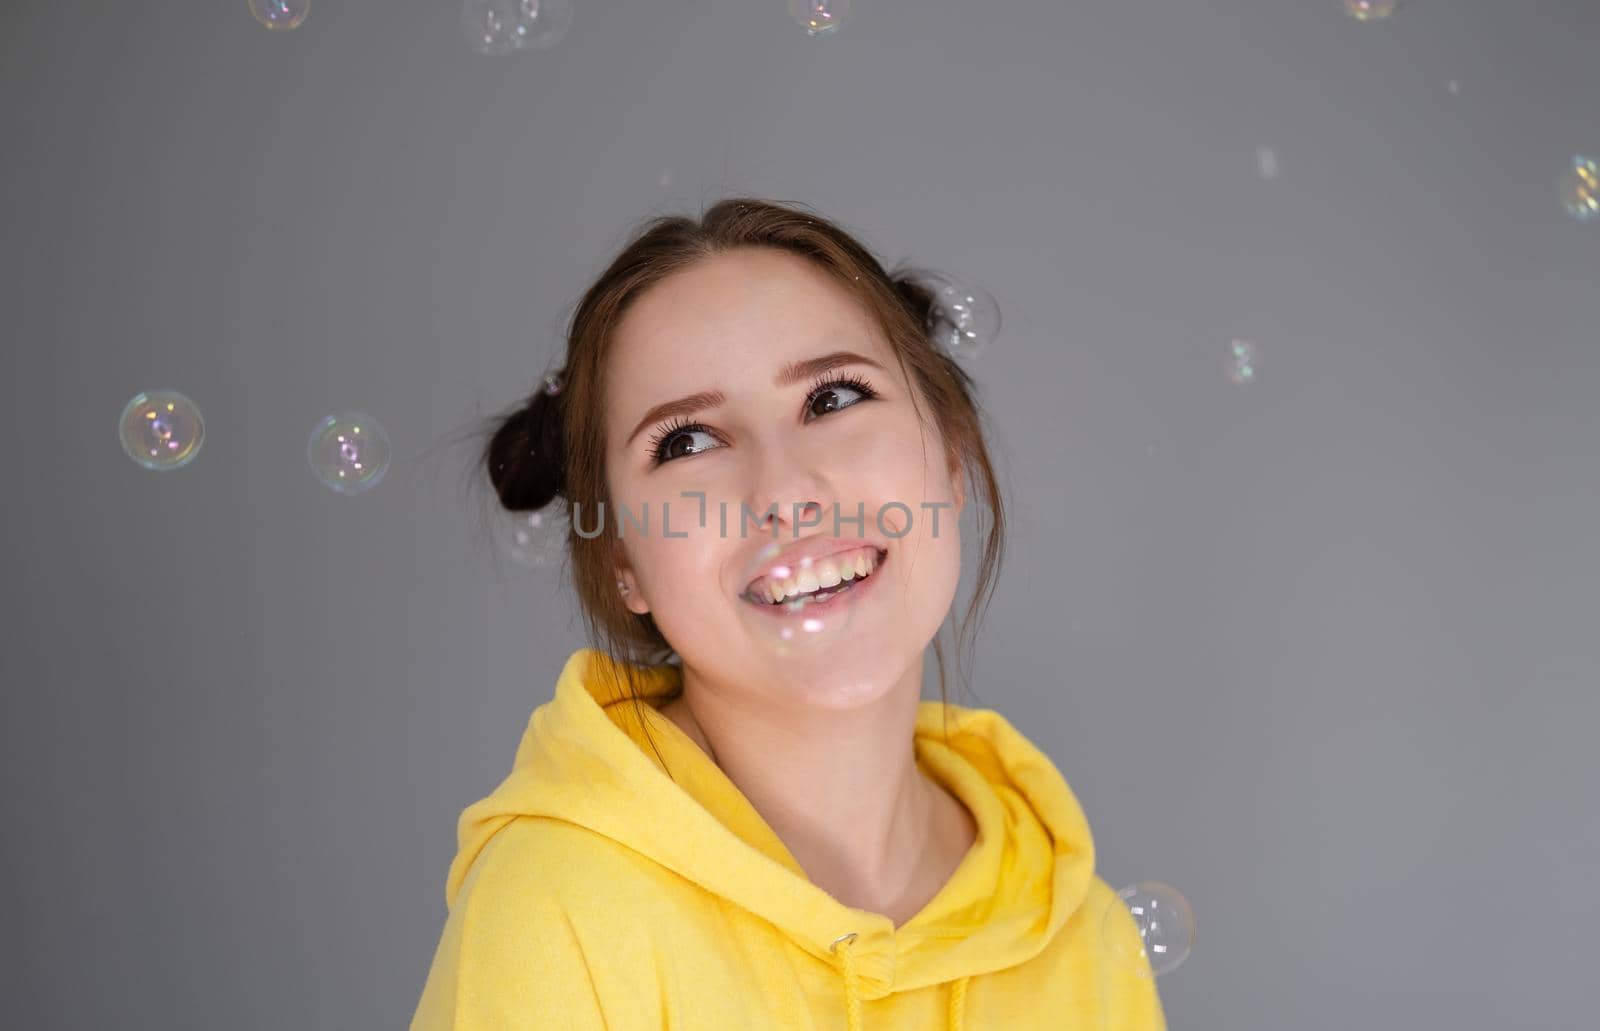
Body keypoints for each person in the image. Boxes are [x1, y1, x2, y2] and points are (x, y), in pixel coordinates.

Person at [411, 198, 1168, 1029]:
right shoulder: (558, 908)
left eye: (835, 397)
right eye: (688, 442)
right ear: (623, 560)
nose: (786, 493)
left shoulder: (1078, 934)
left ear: (950, 458)